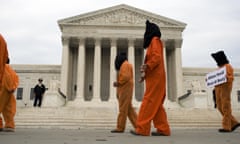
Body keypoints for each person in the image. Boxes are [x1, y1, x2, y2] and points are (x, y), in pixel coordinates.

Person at [130, 20, 170, 136]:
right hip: (155, 78)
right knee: (156, 105)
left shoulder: (155, 40)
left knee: (148, 102)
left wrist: (148, 65)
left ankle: (142, 128)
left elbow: (156, 57)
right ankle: (163, 129)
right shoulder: (154, 42)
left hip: (156, 79)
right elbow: (154, 59)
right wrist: (145, 73)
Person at [211, 50, 240, 132]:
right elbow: (216, 79)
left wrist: (225, 77)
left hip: (225, 89)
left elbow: (231, 78)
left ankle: (227, 127)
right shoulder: (219, 68)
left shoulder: (228, 66)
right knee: (220, 107)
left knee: (225, 107)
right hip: (218, 89)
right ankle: (234, 122)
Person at [111, 53, 137, 133]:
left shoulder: (124, 65)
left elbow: (125, 77)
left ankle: (120, 127)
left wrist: (118, 83)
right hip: (127, 88)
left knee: (122, 109)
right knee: (129, 109)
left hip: (125, 89)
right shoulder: (127, 64)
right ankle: (139, 125)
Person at [0, 58, 19, 132]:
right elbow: (16, 80)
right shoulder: (12, 71)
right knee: (9, 109)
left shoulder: (4, 68)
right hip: (10, 92)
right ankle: (9, 125)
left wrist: (8, 87)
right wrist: (12, 88)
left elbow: (6, 78)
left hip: (3, 91)